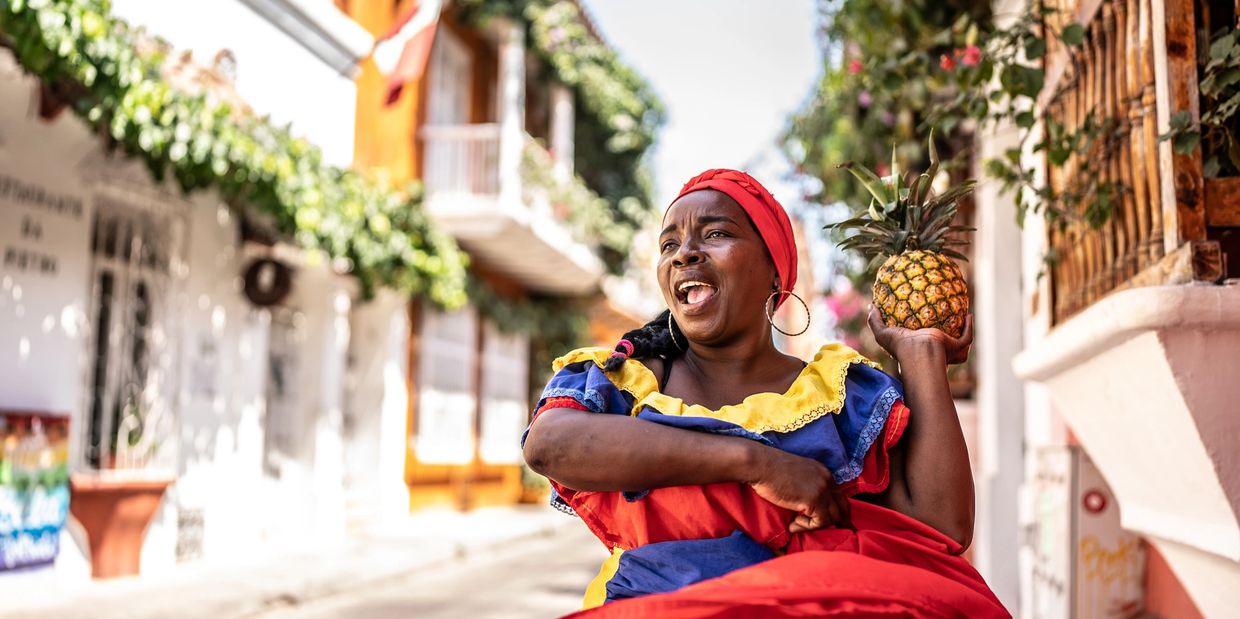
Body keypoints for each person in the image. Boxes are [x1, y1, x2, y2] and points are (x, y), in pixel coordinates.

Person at [522, 169, 1008, 618]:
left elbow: (941, 530)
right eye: (670, 244)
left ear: (775, 270)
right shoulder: (625, 381)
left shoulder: (840, 395)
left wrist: (922, 356)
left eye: (715, 234)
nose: (685, 253)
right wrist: (759, 464)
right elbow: (548, 445)